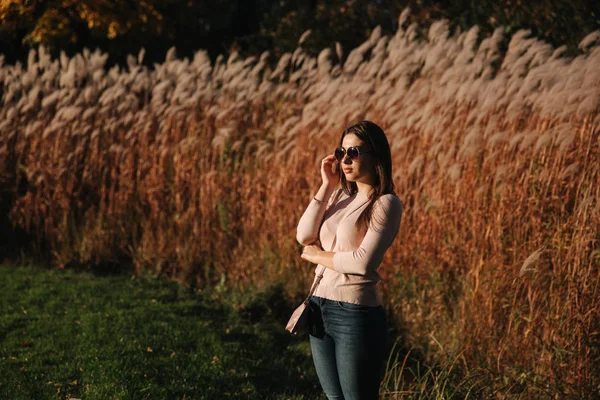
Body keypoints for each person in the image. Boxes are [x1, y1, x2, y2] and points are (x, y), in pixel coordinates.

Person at [296, 120, 403, 400]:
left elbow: (362, 263)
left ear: (375, 154)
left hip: (354, 313)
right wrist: (326, 185)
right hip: (319, 305)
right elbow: (304, 235)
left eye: (354, 152)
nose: (345, 159)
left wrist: (319, 256)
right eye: (341, 151)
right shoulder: (342, 194)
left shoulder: (385, 203)